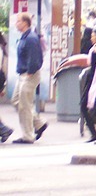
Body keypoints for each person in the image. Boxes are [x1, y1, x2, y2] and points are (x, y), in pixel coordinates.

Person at [11, 13, 48, 144]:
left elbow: (35, 58)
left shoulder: (31, 38)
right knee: (16, 100)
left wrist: (30, 72)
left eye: (18, 21)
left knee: (24, 106)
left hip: (29, 75)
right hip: (22, 74)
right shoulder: (25, 37)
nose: (16, 23)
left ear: (25, 23)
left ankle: (28, 135)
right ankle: (39, 123)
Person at [80, 26, 96, 142]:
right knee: (84, 106)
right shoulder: (93, 48)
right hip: (90, 79)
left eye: (93, 36)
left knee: (92, 107)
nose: (91, 38)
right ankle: (94, 133)